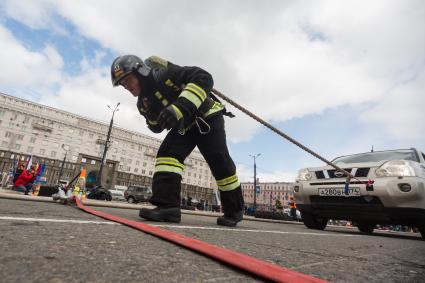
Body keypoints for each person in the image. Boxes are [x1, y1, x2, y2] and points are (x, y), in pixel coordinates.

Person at [111, 55, 244, 226]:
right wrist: (158, 119)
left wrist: (179, 108)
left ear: (141, 71)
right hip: (184, 127)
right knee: (167, 156)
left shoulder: (165, 75)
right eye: (122, 83)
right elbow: (155, 127)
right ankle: (168, 208)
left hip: (206, 117)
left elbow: (204, 78)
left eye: (128, 80)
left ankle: (234, 211)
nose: (126, 86)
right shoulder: (142, 104)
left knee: (219, 162)